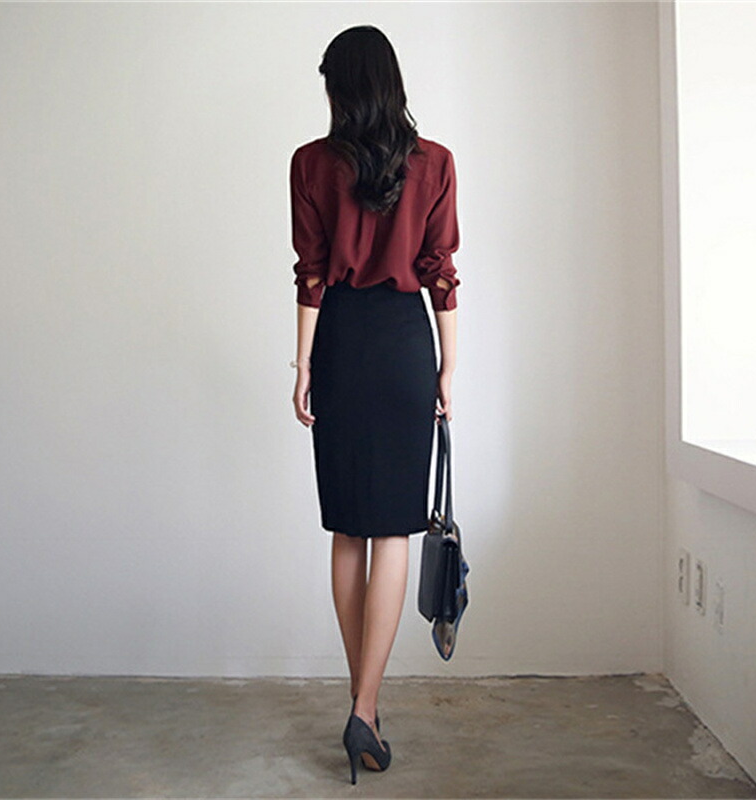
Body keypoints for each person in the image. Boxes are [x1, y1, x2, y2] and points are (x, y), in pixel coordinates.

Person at [288, 25, 460, 784]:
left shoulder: (309, 163)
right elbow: (440, 271)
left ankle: (362, 701)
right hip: (402, 344)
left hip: (341, 343)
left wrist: (303, 365)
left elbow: (312, 271)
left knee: (348, 530)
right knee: (393, 530)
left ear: (341, 89)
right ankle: (366, 707)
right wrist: (448, 366)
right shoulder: (435, 163)